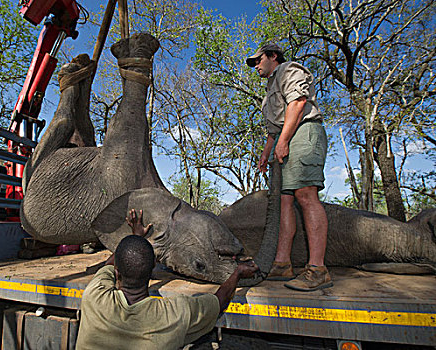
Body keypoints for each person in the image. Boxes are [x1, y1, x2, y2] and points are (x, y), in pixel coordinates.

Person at [75, 209, 259, 350]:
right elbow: (219, 302)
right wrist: (237, 273)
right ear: (153, 269)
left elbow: (110, 263)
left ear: (117, 273)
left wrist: (135, 237)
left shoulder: (94, 296)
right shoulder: (174, 313)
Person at [246, 43, 332, 292]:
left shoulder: (288, 70)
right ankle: (282, 264)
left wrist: (283, 141)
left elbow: (298, 102)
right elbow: (274, 129)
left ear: (272, 56)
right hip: (285, 138)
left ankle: (318, 269)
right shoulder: (269, 89)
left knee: (305, 195)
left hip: (303, 134)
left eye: (258, 60)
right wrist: (266, 153)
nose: (256, 65)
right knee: (284, 202)